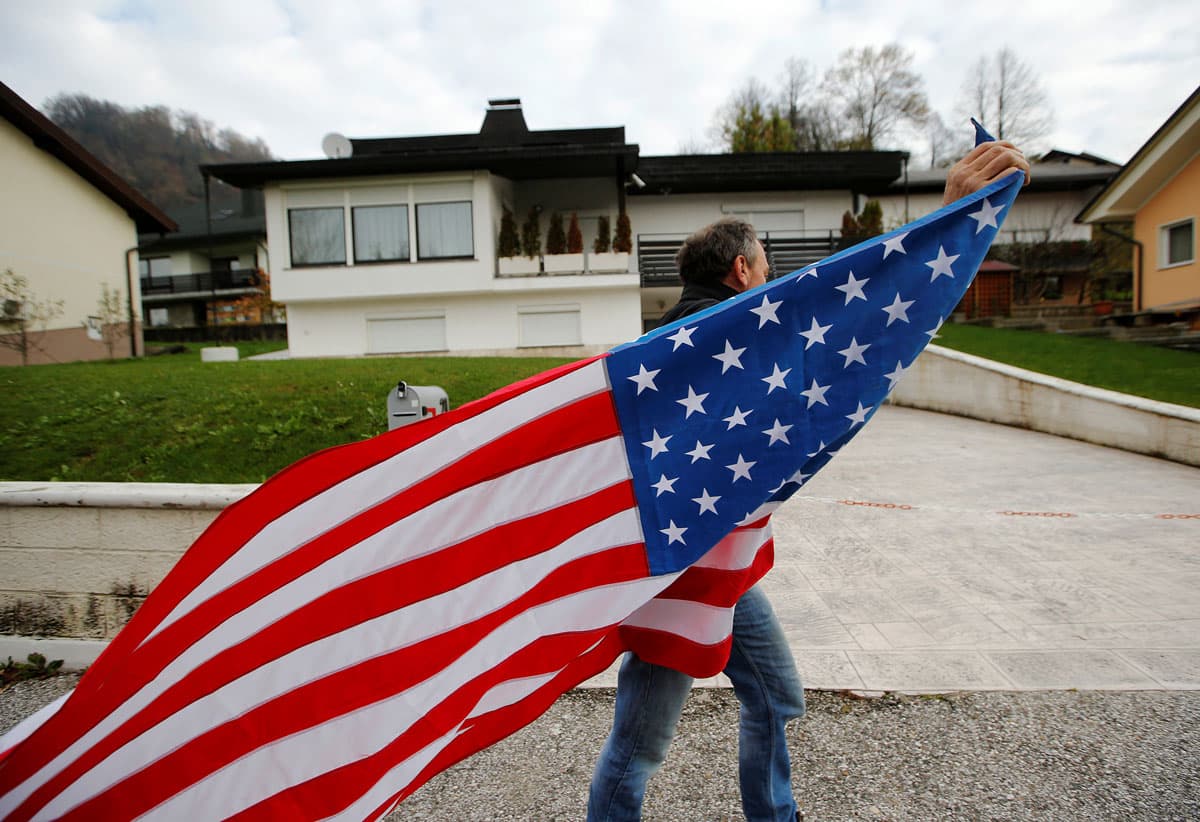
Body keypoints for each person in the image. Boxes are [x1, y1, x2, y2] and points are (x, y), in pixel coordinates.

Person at [587, 139, 1031, 822]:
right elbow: (848, 315)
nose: (773, 277)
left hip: (726, 566)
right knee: (641, 743)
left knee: (775, 696)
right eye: (767, 264)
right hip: (681, 575)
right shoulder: (722, 338)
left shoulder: (667, 344)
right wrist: (949, 220)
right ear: (742, 270)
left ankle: (776, 814)